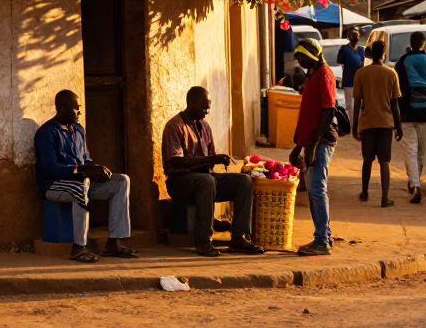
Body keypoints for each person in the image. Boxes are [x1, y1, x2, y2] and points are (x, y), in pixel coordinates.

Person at [34, 90, 139, 264]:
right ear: (61, 108)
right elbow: (49, 169)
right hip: (54, 186)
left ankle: (114, 242)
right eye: (76, 109)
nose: (79, 113)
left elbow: (86, 158)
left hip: (82, 182)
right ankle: (79, 247)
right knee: (81, 183)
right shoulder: (46, 133)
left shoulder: (78, 130)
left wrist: (95, 170)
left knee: (121, 181)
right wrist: (83, 170)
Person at [162, 87, 265, 257]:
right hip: (180, 181)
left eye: (208, 107)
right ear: (191, 103)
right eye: (203, 107)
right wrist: (208, 160)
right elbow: (175, 161)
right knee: (206, 181)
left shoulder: (205, 127)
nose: (207, 111)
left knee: (243, 181)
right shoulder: (175, 126)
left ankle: (239, 237)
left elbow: (209, 159)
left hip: (204, 178)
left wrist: (218, 159)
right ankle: (204, 241)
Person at [288, 38, 338, 256]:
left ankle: (322, 241)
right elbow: (307, 115)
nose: (298, 60)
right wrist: (298, 146)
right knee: (314, 191)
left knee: (317, 190)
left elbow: (328, 111)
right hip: (309, 142)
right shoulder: (311, 76)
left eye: (301, 56)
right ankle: (324, 235)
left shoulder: (324, 75)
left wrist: (312, 143)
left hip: (322, 141)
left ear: (312, 55)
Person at [352, 39, 403, 207]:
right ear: (384, 54)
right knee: (384, 161)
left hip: (367, 123)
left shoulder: (361, 73)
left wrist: (354, 125)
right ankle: (384, 197)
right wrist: (399, 126)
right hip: (386, 123)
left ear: (370, 54)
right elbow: (395, 103)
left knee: (367, 159)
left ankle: (365, 192)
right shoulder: (391, 74)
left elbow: (357, 103)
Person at [395, 32, 426, 203]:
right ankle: (415, 182)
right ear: (424, 44)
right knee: (420, 153)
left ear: (411, 43)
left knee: (410, 152)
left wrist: (398, 115)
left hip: (407, 114)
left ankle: (416, 184)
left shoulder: (403, 62)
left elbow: (397, 91)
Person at [337, 28, 365, 125]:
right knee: (349, 104)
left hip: (360, 80)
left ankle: (360, 123)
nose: (355, 41)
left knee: (361, 103)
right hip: (348, 80)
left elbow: (363, 63)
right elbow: (339, 61)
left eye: (357, 39)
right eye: (353, 39)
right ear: (349, 38)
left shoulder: (361, 49)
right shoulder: (344, 49)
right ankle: (353, 123)